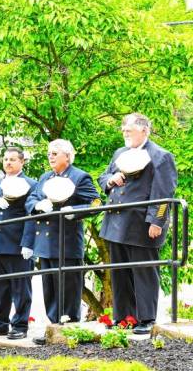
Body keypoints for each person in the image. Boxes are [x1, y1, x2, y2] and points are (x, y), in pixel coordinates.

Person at [98, 113, 177, 335]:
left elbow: (164, 194)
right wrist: (110, 181)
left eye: (129, 130)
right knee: (119, 272)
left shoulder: (160, 156)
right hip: (115, 221)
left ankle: (147, 318)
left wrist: (157, 221)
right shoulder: (119, 153)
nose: (124, 133)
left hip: (141, 223)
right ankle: (125, 317)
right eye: (123, 129)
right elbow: (103, 178)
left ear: (144, 130)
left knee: (143, 272)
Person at [25, 139, 100, 345]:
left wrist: (74, 211)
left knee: (68, 288)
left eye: (55, 153)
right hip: (46, 243)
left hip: (66, 242)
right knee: (50, 289)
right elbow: (31, 199)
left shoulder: (79, 176)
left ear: (67, 156)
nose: (50, 156)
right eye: (49, 153)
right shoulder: (45, 177)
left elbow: (95, 202)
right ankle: (54, 327)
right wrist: (38, 205)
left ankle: (69, 327)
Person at [0, 148, 37, 339]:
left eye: (12, 159)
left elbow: (32, 215)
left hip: (17, 244)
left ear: (22, 162)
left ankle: (19, 325)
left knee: (21, 289)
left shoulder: (31, 184)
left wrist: (28, 243)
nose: (8, 163)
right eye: (5, 159)